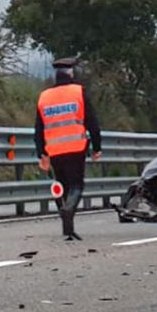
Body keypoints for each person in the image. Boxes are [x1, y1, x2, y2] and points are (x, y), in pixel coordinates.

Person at [35, 57, 102, 241]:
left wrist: (42, 153)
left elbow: (38, 129)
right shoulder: (78, 92)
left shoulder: (44, 97)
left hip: (54, 150)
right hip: (76, 148)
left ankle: (67, 228)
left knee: (62, 187)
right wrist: (97, 147)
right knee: (76, 185)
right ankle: (69, 209)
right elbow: (93, 123)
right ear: (71, 73)